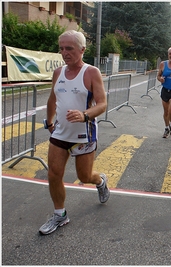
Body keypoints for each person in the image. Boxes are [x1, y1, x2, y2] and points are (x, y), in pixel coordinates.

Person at [39, 30, 109, 235]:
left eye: (69, 48)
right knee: (53, 174)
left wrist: (85, 114)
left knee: (84, 176)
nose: (64, 52)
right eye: (61, 48)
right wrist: (50, 122)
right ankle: (60, 215)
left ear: (82, 50)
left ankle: (100, 181)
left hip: (84, 134)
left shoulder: (91, 72)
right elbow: (53, 99)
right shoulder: (58, 72)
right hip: (60, 134)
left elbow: (102, 104)